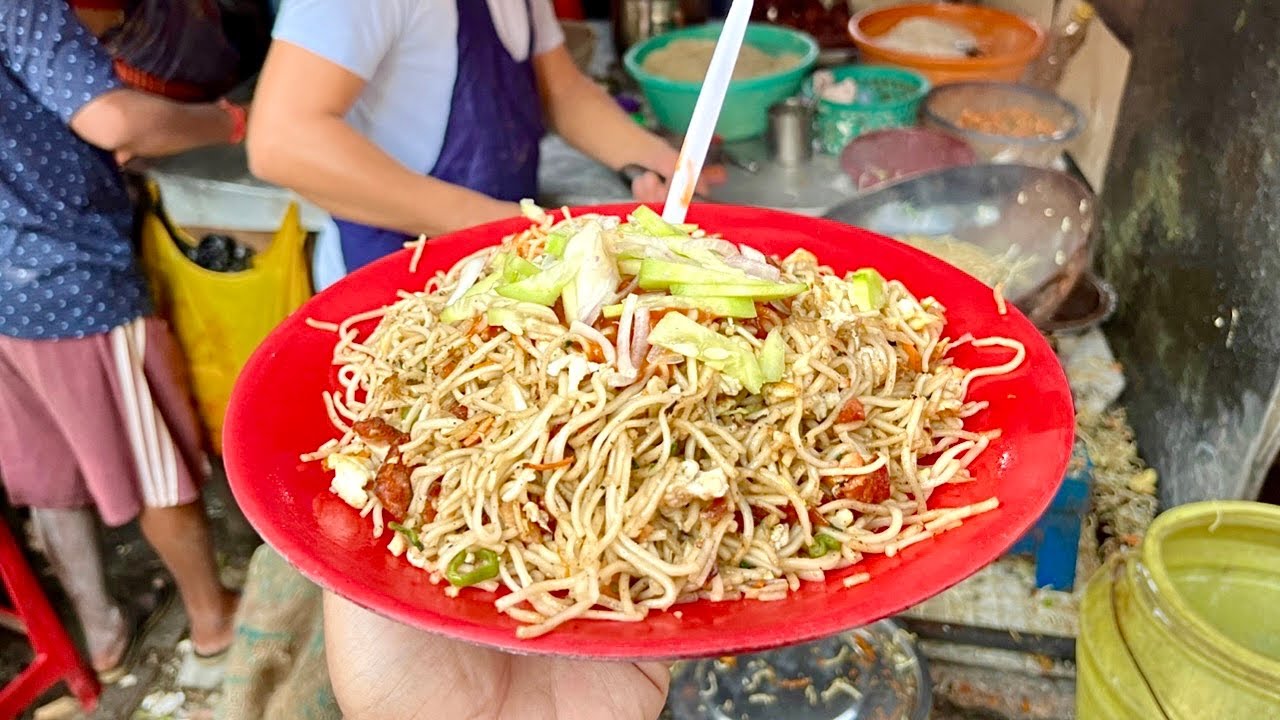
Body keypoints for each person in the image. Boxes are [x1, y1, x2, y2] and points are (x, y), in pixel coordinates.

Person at [0, 0, 246, 679]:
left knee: (51, 468)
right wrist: (226, 121)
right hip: (71, 283)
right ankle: (213, 619)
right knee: (153, 462)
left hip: (5, 286)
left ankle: (100, 634)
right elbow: (109, 119)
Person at [247, 0, 718, 283]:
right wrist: (509, 226)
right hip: (395, 283)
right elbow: (282, 141)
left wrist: (654, 159)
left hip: (497, 264)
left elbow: (560, 89)